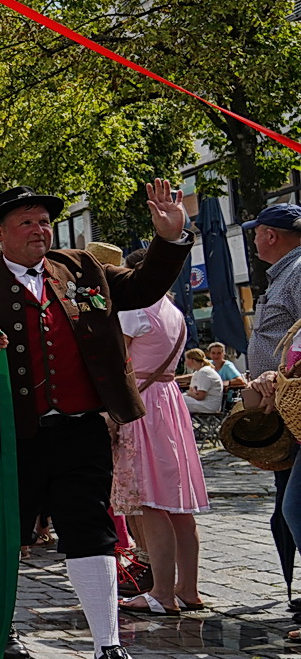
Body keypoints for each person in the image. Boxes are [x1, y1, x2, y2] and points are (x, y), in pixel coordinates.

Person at [0, 182, 191, 659]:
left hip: (79, 428)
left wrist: (170, 239)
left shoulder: (81, 268)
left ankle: (108, 646)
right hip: (2, 435)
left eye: (44, 220)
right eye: (26, 221)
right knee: (5, 532)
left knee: (91, 530)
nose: (39, 229)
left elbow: (140, 288)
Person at [96, 246, 209, 615]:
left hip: (142, 402)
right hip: (169, 399)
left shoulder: (135, 310)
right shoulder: (173, 311)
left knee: (149, 499)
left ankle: (162, 592)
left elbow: (118, 363)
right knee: (176, 504)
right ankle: (187, 589)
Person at [238, 203, 301, 628]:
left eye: (256, 232)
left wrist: (277, 375)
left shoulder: (298, 271)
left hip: (295, 409)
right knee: (288, 505)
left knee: (292, 507)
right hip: (282, 409)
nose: (253, 239)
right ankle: (294, 594)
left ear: (271, 234)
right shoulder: (284, 273)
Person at [178, 347, 224, 414]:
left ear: (192, 360)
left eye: (186, 360)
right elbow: (191, 376)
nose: (185, 362)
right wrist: (175, 379)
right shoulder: (201, 371)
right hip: (205, 403)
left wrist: (189, 393)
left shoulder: (204, 372)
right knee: (176, 399)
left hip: (208, 405)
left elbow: (200, 397)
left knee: (176, 401)